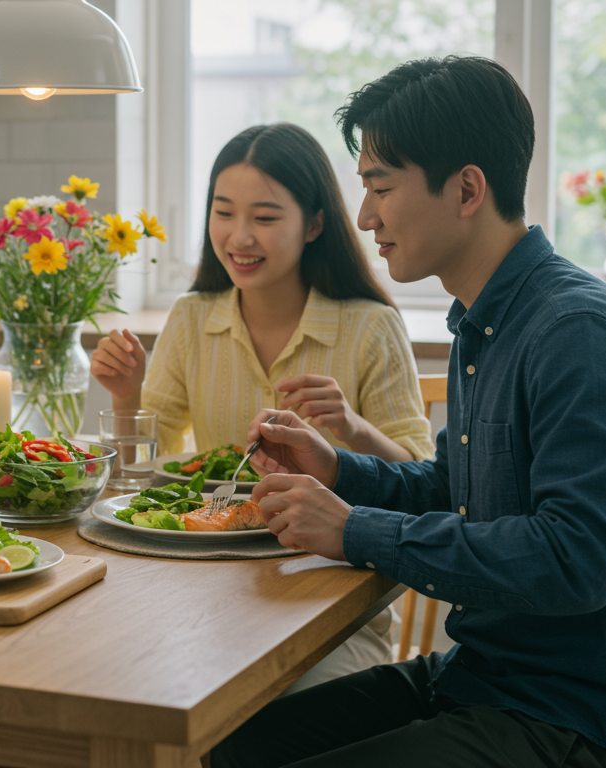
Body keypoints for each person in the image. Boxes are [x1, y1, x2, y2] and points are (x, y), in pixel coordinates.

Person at [214, 56, 606, 768]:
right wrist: (339, 470)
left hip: (585, 722)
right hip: (483, 682)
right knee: (229, 747)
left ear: (467, 188)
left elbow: (576, 561)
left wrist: (353, 530)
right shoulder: (483, 323)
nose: (366, 215)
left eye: (380, 186)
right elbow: (460, 495)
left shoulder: (578, 331)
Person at [91, 123, 434, 693]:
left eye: (266, 218)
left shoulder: (369, 326)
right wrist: (126, 396)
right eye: (224, 213)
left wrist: (353, 428)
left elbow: (423, 477)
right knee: (121, 685)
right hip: (198, 589)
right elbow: (139, 471)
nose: (239, 237)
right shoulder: (193, 317)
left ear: (315, 224)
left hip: (330, 608)